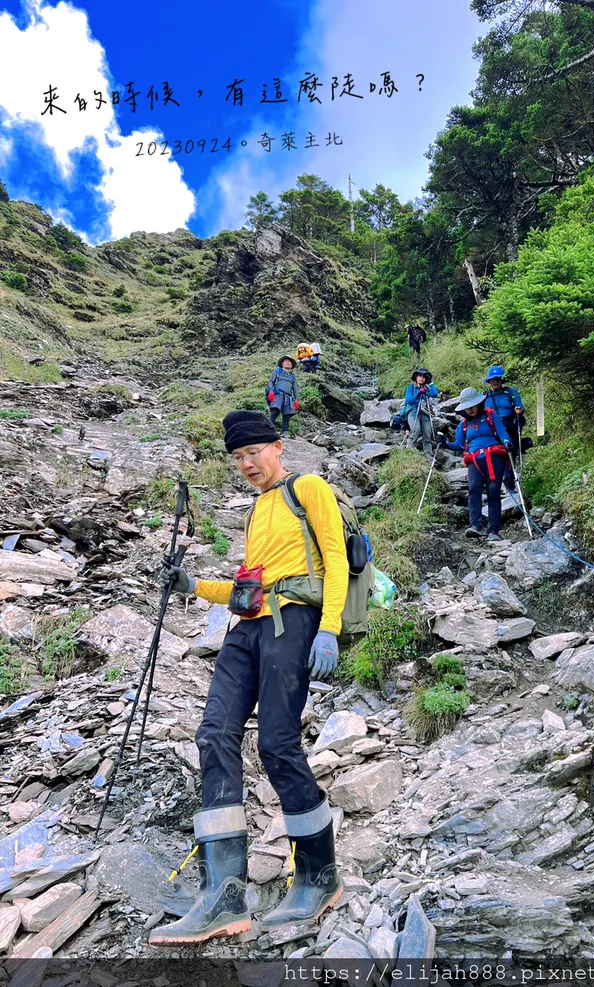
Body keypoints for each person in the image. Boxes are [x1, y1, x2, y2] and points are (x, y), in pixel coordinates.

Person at [149, 410, 349, 946]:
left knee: (279, 743)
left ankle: (319, 876)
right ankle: (223, 895)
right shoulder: (257, 509)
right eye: (237, 458)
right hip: (248, 627)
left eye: (252, 453)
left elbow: (333, 559)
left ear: (277, 447)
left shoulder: (307, 488)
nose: (246, 464)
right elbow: (246, 587)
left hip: (294, 620)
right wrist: (195, 586)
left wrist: (328, 629)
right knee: (214, 734)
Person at [438, 387, 513, 542]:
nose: (470, 409)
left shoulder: (491, 416)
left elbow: (502, 433)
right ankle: (475, 526)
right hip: (474, 461)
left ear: (479, 403)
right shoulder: (463, 426)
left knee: (493, 493)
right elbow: (458, 445)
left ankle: (493, 531)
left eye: (473, 405)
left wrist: (507, 442)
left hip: (494, 458)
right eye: (467, 407)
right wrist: (444, 443)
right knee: (473, 490)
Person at [482, 365, 526, 459]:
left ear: (502, 379)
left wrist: (519, 410)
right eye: (493, 379)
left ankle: (512, 462)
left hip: (509, 423)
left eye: (498, 378)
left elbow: (520, 406)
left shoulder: (511, 392)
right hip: (492, 425)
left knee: (512, 442)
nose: (496, 381)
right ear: (489, 381)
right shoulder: (484, 396)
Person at [404, 368, 439, 457]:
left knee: (427, 433)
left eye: (424, 376)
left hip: (425, 413)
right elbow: (409, 400)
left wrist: (430, 383)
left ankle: (429, 456)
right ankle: (410, 452)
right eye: (420, 376)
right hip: (413, 412)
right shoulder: (410, 388)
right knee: (416, 430)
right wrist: (419, 393)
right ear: (416, 377)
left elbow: (434, 393)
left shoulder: (427, 388)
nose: (422, 378)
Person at [266, 356, 299, 436]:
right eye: (286, 361)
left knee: (287, 415)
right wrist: (271, 391)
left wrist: (296, 400)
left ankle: (285, 432)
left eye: (289, 362)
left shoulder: (292, 376)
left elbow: (295, 388)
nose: (288, 363)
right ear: (282, 363)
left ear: (291, 365)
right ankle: (268, 430)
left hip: (288, 397)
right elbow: (271, 381)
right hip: (278, 394)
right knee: (275, 411)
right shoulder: (277, 371)